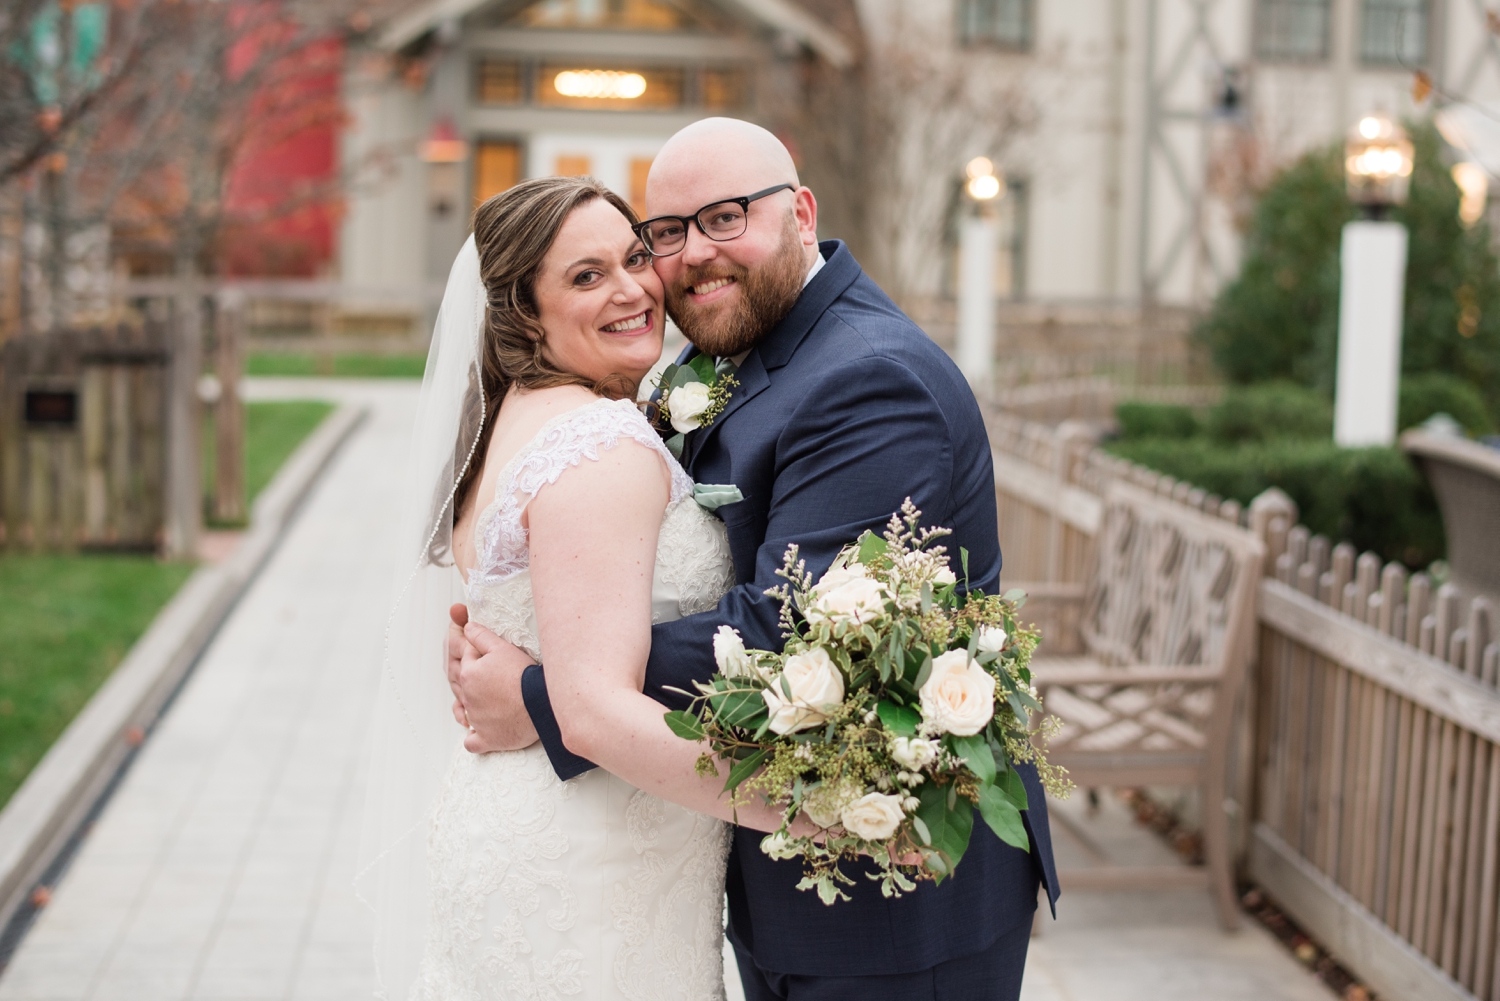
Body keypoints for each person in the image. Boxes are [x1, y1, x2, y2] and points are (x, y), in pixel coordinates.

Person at [447, 117, 1059, 1001]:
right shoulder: (727, 353)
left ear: (802, 214)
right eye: (668, 232)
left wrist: (545, 686)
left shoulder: (869, 380)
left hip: (890, 898)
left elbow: (786, 635)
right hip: (768, 863)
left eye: (726, 217)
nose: (693, 253)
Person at [360, 174, 795, 1001]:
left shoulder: (509, 415)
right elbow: (592, 710)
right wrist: (804, 804)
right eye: (586, 276)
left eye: (635, 258)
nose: (633, 289)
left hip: (520, 820)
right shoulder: (598, 442)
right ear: (523, 313)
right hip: (590, 856)